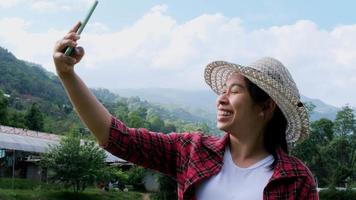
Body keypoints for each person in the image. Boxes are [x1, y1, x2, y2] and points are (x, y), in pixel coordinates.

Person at [53, 22, 319, 200]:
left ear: (265, 106)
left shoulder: (296, 180)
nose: (221, 99)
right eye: (222, 91)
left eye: (234, 91)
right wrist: (67, 75)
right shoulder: (192, 151)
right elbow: (116, 137)